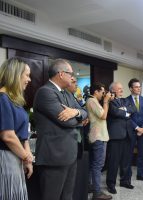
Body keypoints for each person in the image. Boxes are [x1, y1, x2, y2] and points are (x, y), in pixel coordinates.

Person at [33, 58, 88, 200]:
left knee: (67, 196)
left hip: (70, 155)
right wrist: (79, 118)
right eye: (71, 73)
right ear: (61, 74)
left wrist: (75, 112)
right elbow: (67, 123)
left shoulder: (67, 93)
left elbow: (84, 111)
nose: (73, 77)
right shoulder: (45, 92)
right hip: (54, 158)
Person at [0, 57, 33, 200]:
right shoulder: (2, 98)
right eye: (27, 75)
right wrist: (26, 157)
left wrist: (27, 159)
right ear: (15, 74)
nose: (29, 79)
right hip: (7, 157)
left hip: (16, 156)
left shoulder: (15, 100)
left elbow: (23, 135)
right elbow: (8, 136)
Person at [106, 82, 136, 194]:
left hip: (128, 135)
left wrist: (124, 110)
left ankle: (125, 181)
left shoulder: (125, 100)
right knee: (113, 162)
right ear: (112, 90)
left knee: (126, 161)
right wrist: (126, 113)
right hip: (116, 136)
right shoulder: (109, 101)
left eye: (122, 88)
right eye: (119, 89)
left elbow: (133, 109)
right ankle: (111, 184)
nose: (122, 90)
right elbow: (114, 112)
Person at [86, 83, 113, 200]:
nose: (103, 94)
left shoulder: (94, 102)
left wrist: (106, 101)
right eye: (102, 92)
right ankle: (97, 193)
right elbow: (103, 116)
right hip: (98, 137)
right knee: (98, 165)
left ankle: (91, 186)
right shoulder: (91, 101)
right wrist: (106, 101)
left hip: (97, 136)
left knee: (94, 164)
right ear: (95, 92)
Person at [126, 78, 143, 182]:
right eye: (136, 87)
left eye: (139, 86)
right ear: (131, 89)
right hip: (131, 131)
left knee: (141, 154)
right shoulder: (126, 100)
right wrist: (137, 128)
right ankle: (127, 177)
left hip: (142, 131)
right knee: (129, 154)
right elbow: (127, 117)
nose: (139, 89)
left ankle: (140, 175)